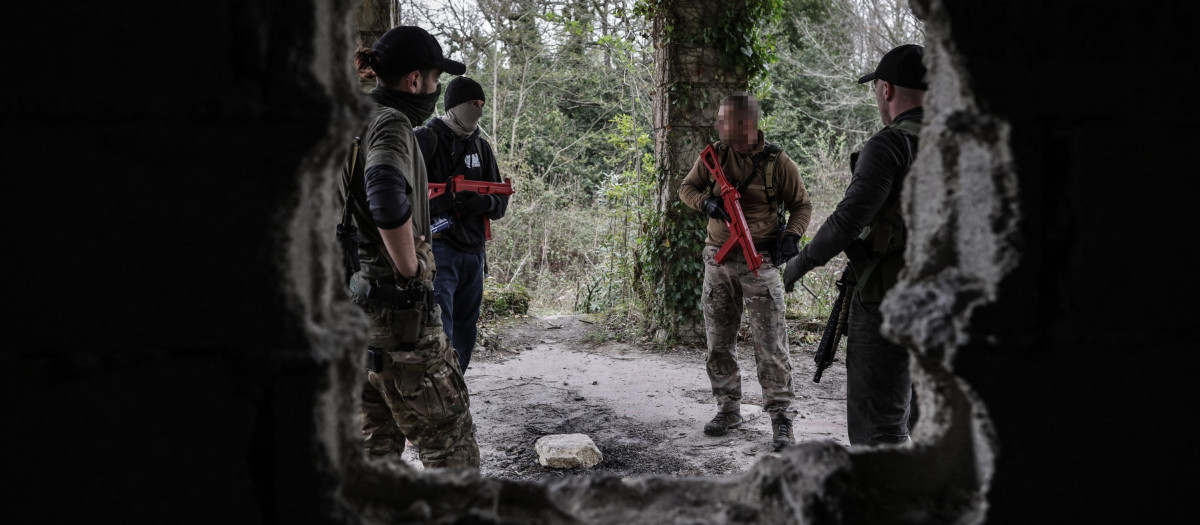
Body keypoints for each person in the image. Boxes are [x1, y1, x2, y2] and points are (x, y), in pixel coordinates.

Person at [341, 25, 480, 468]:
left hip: (356, 315)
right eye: (436, 79)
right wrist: (410, 264)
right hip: (400, 320)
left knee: (374, 452)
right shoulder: (392, 123)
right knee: (451, 449)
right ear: (415, 80)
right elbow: (383, 191)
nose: (436, 90)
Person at [782, 44, 927, 447]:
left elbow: (848, 221)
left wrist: (799, 265)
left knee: (879, 429)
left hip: (888, 299)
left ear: (886, 89)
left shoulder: (891, 145)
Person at [679, 92, 813, 451]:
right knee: (718, 342)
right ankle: (728, 409)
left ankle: (781, 418)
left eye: (725, 120)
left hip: (761, 261)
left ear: (747, 123)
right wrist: (706, 202)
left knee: (771, 345)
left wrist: (793, 235)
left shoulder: (778, 163)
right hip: (719, 261)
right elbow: (686, 188)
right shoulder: (714, 156)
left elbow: (801, 205)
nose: (718, 125)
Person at [414, 76, 509, 374]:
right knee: (439, 326)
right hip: (438, 249)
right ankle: (439, 386)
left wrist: (484, 203)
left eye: (481, 104)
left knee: (467, 327)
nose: (477, 110)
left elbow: (501, 203)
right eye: (471, 103)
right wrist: (447, 202)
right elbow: (403, 197)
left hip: (474, 251)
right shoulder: (426, 139)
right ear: (453, 106)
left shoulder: (482, 147)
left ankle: (457, 384)